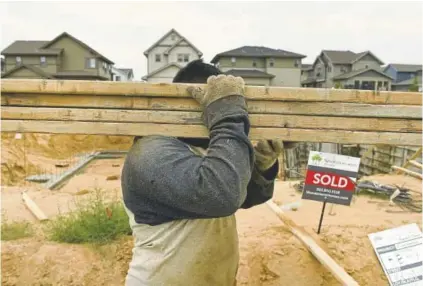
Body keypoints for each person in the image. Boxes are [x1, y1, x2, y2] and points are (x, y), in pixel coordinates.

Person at [121, 59, 296, 286]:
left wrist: (261, 162)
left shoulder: (204, 148)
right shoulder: (150, 153)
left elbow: (244, 196)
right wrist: (227, 114)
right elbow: (223, 196)